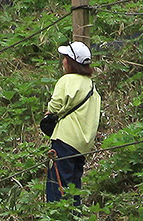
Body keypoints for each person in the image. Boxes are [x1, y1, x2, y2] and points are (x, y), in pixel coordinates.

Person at [39, 41, 102, 204]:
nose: (63, 61)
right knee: (74, 188)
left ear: (71, 61)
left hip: (65, 140)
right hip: (82, 146)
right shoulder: (91, 86)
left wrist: (50, 114)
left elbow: (54, 105)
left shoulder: (67, 80)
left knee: (57, 187)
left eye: (65, 57)